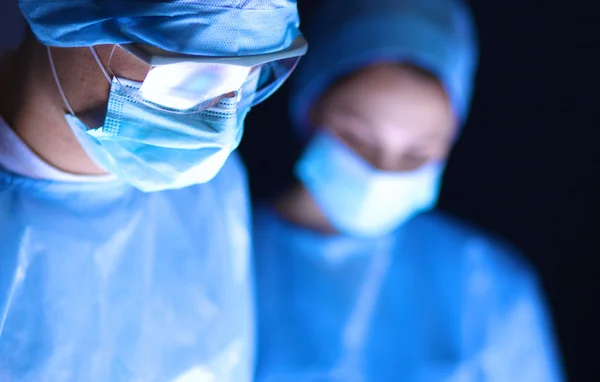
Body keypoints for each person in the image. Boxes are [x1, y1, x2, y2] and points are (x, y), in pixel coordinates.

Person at [251, 0, 565, 380]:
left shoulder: (484, 283)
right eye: (358, 139)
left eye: (417, 153)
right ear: (309, 108)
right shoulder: (220, 248)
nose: (382, 171)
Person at [0, 0, 306, 380]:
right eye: (194, 73)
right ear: (65, 16)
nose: (222, 121)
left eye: (250, 74)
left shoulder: (213, 190)